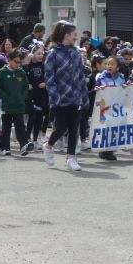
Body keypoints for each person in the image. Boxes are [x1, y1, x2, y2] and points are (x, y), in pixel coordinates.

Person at [43, 21, 88, 172]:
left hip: (75, 97)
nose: (76, 36)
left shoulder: (76, 53)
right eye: (74, 34)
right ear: (66, 35)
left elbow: (81, 76)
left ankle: (71, 158)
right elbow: (49, 79)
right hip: (60, 99)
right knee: (61, 128)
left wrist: (84, 96)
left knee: (74, 128)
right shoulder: (53, 54)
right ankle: (48, 146)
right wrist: (56, 98)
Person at [0, 48, 33, 156]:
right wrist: (6, 98)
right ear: (9, 60)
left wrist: (22, 97)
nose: (18, 64)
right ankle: (5, 147)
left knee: (20, 126)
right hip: (7, 106)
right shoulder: (2, 72)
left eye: (19, 62)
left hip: (19, 105)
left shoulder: (21, 73)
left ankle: (23, 145)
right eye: (15, 62)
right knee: (6, 128)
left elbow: (26, 87)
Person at [95, 56, 127, 160]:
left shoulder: (121, 78)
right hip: (104, 106)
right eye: (108, 64)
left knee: (114, 128)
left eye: (112, 64)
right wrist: (99, 88)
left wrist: (126, 87)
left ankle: (110, 150)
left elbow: (125, 91)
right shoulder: (101, 76)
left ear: (117, 67)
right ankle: (103, 150)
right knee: (105, 128)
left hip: (116, 108)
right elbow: (96, 88)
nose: (109, 66)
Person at [25, 45, 49, 146]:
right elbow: (24, 77)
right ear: (33, 54)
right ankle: (27, 137)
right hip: (31, 95)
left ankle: (35, 139)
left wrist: (45, 83)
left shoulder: (44, 66)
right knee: (32, 117)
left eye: (42, 53)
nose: (40, 55)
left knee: (39, 118)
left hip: (42, 95)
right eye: (38, 53)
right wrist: (28, 84)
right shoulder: (28, 66)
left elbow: (49, 77)